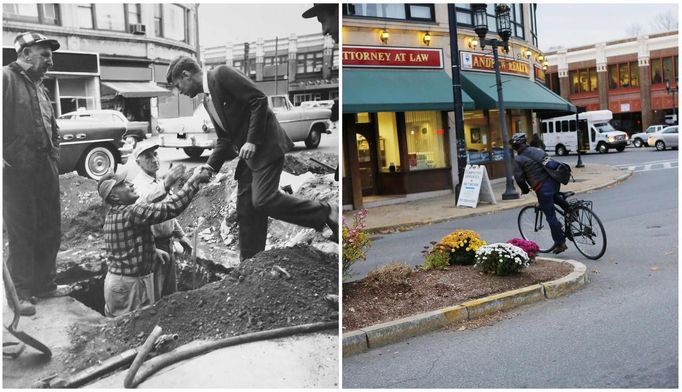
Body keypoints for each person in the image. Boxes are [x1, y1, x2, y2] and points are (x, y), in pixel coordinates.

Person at [166, 56, 338, 261]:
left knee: (263, 199)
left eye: (179, 86)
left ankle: (325, 212)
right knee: (246, 209)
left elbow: (259, 100)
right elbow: (225, 139)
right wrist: (209, 168)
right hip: (249, 158)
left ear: (186, 75)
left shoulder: (221, 74)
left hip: (266, 147)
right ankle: (251, 263)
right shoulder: (207, 100)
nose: (181, 92)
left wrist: (252, 141)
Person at [3, 32, 65, 316]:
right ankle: (22, 293)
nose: (50, 61)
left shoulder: (40, 87)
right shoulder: (6, 78)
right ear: (26, 54)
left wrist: (54, 155)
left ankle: (45, 284)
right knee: (22, 230)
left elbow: (53, 126)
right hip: (16, 171)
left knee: (49, 226)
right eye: (45, 54)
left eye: (50, 55)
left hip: (45, 169)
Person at [98, 167, 209, 317]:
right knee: (136, 330)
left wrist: (151, 250)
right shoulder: (132, 211)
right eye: (123, 184)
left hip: (118, 283)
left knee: (120, 329)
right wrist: (194, 181)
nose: (130, 184)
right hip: (131, 286)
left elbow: (121, 246)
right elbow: (171, 208)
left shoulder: (113, 215)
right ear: (115, 197)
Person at [131, 142, 192, 299]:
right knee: (155, 295)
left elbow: (166, 212)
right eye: (148, 156)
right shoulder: (138, 185)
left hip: (168, 243)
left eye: (155, 154)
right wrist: (167, 184)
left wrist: (181, 235)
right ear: (138, 162)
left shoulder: (158, 181)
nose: (154, 159)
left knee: (170, 292)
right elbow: (148, 201)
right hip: (153, 247)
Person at [510, 133, 567, 254]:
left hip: (542, 188)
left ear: (515, 147)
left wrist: (525, 189)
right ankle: (570, 210)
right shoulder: (538, 150)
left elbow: (519, 178)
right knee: (553, 196)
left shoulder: (518, 159)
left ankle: (560, 243)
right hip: (554, 182)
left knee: (550, 216)